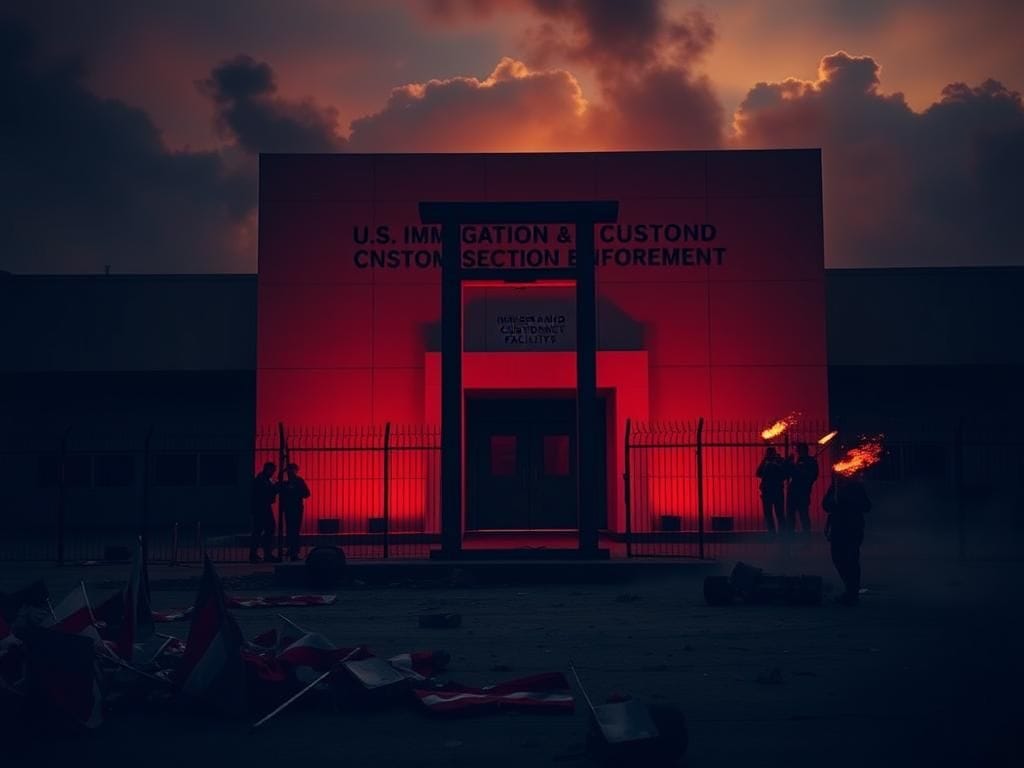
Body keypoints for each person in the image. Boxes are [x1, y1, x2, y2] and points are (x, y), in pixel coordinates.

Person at [822, 472, 872, 605]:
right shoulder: (835, 487)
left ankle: (852, 592)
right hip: (838, 529)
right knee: (837, 558)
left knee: (852, 559)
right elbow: (825, 505)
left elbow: (867, 506)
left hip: (852, 528)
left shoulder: (856, 487)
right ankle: (849, 588)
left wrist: (851, 501)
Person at [278, 463, 311, 562]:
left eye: (292, 470)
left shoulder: (298, 481)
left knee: (294, 530)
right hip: (290, 508)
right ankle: (292, 550)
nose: (291, 472)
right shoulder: (285, 482)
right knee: (291, 530)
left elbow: (307, 493)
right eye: (289, 470)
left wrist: (295, 492)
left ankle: (294, 550)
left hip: (295, 508)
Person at [786, 442, 819, 533]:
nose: (797, 451)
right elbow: (790, 473)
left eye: (799, 449)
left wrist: (796, 469)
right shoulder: (800, 460)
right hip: (796, 491)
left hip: (802, 492)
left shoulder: (810, 461)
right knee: (793, 514)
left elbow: (811, 476)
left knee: (802, 514)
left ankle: (805, 536)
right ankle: (792, 535)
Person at [250, 462, 279, 563]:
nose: (273, 473)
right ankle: (261, 554)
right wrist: (274, 488)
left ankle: (260, 554)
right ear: (268, 469)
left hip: (262, 507)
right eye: (272, 470)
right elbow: (265, 493)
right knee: (263, 530)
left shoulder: (263, 479)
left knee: (262, 530)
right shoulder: (262, 480)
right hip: (262, 508)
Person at [756, 446, 787, 535]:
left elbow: (783, 474)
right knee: (770, 514)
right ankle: (774, 533)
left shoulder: (778, 461)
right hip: (769, 491)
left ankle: (780, 534)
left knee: (778, 514)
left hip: (774, 491)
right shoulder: (767, 462)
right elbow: (758, 473)